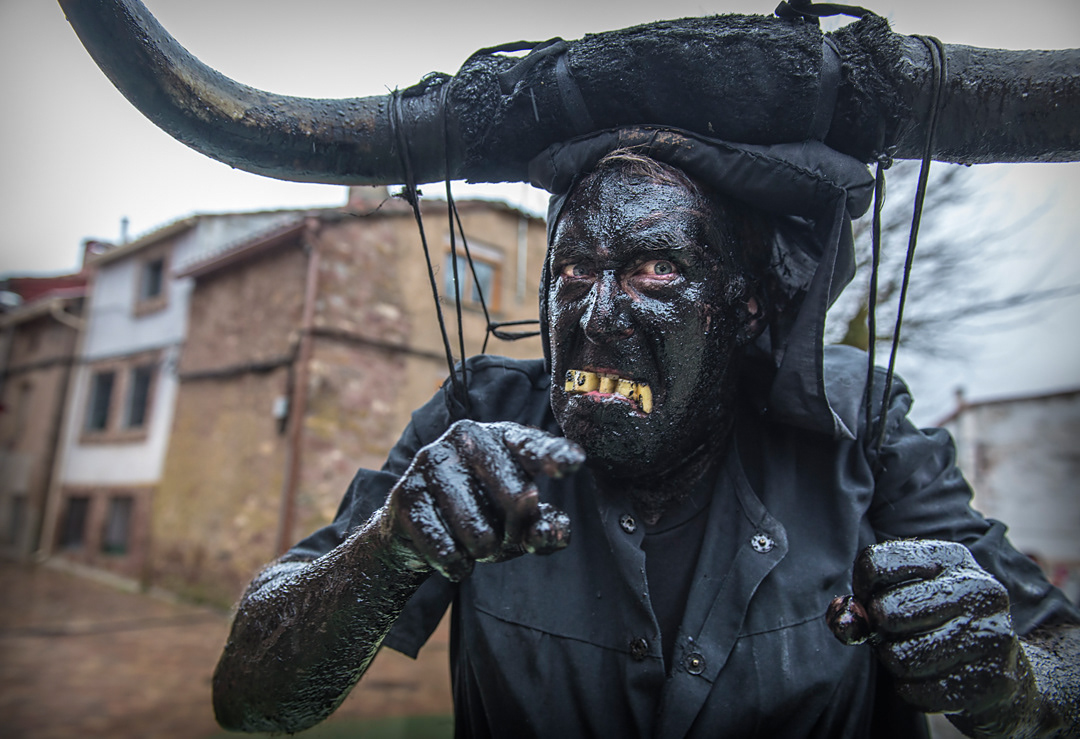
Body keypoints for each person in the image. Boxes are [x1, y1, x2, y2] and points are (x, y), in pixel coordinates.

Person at [212, 127, 1080, 738]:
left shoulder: (860, 421)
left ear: (742, 308)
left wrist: (1016, 689)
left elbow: (1064, 660)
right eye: (573, 269)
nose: (594, 316)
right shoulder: (481, 419)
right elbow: (254, 699)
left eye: (655, 269)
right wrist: (386, 548)